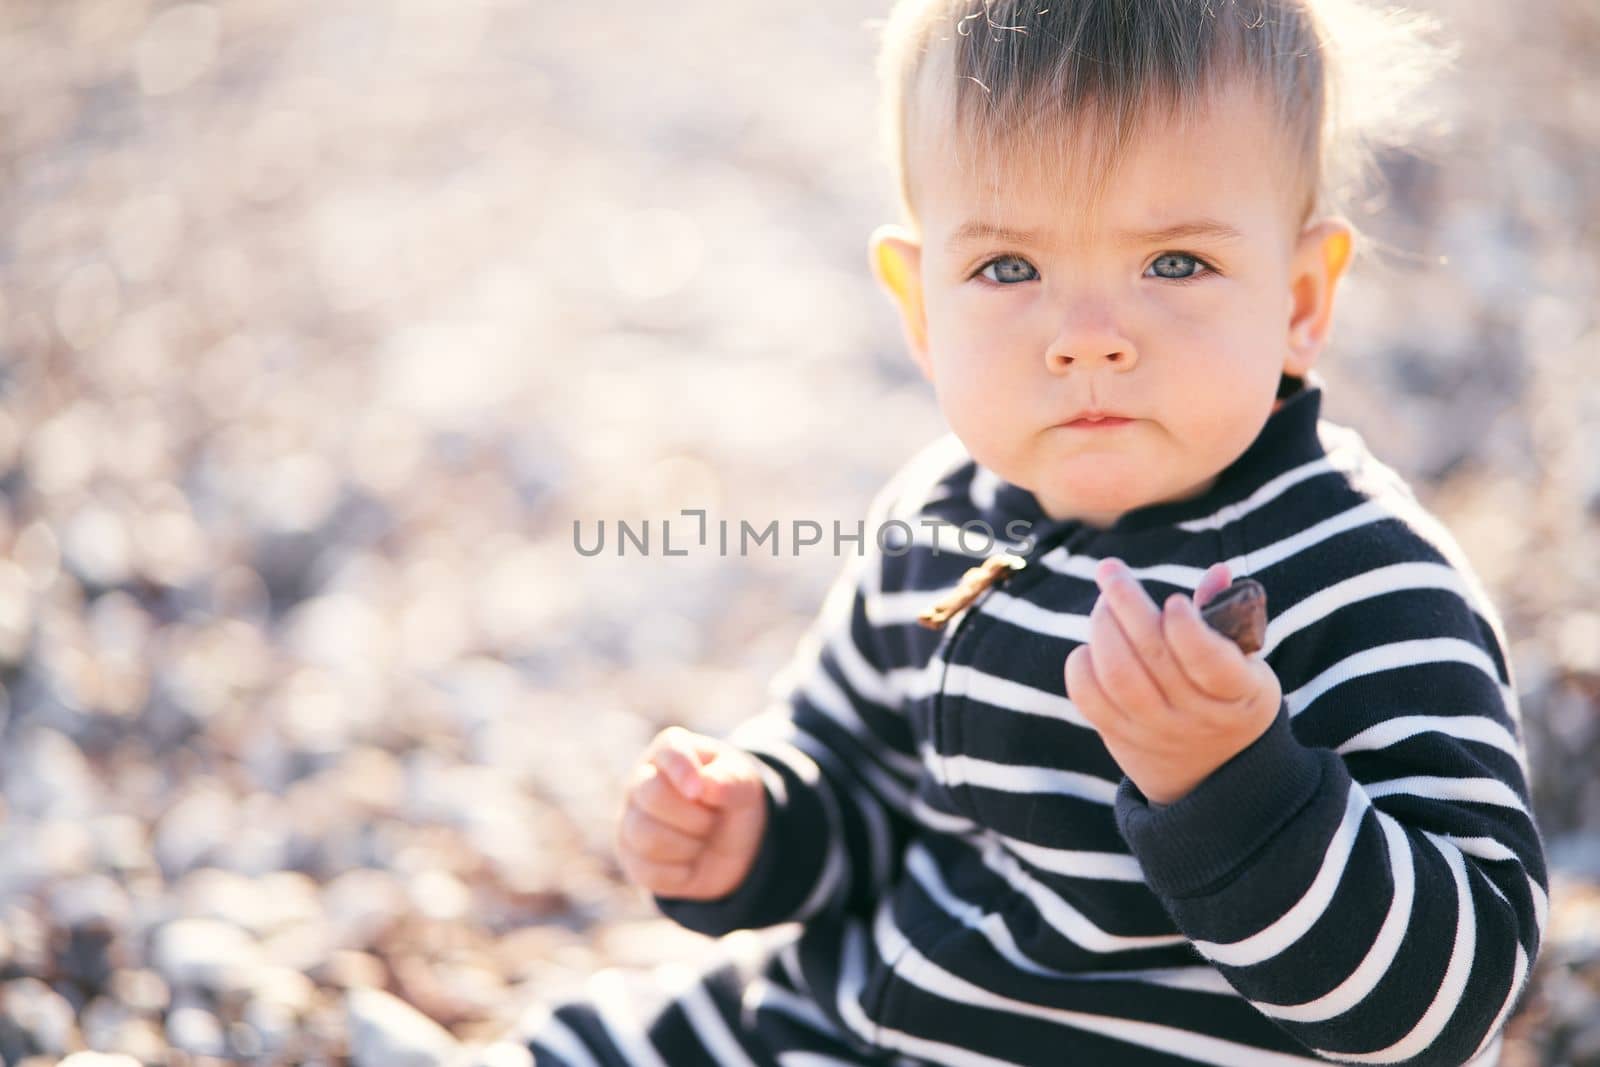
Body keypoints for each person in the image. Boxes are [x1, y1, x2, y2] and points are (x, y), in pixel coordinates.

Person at [513, 1, 1548, 1063]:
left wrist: (1231, 783)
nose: (1088, 339)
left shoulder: (1362, 578)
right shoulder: (942, 519)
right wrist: (754, 825)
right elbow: (853, 768)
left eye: (1174, 262)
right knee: (587, 1037)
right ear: (919, 306)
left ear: (1297, 298)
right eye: (1009, 267)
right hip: (851, 1014)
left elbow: (1450, 1000)